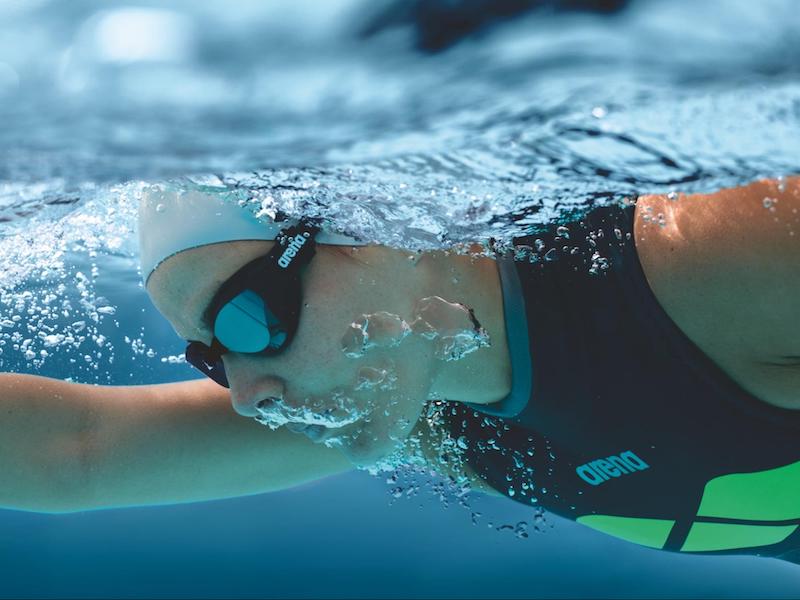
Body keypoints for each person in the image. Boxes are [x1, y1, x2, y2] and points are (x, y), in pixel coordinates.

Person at [0, 177, 797, 562]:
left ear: (371, 229)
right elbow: (78, 450)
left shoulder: (695, 266)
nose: (249, 396)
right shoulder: (433, 411)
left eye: (249, 320)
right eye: (212, 360)